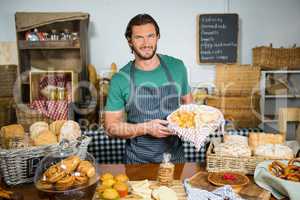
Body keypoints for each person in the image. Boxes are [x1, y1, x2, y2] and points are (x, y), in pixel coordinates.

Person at [104, 14, 193, 164]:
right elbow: (111, 128)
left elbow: (189, 107)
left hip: (174, 161)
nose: (146, 43)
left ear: (158, 37)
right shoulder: (120, 79)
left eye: (150, 36)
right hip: (137, 163)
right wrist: (146, 128)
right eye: (139, 37)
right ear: (130, 41)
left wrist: (186, 127)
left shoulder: (177, 67)